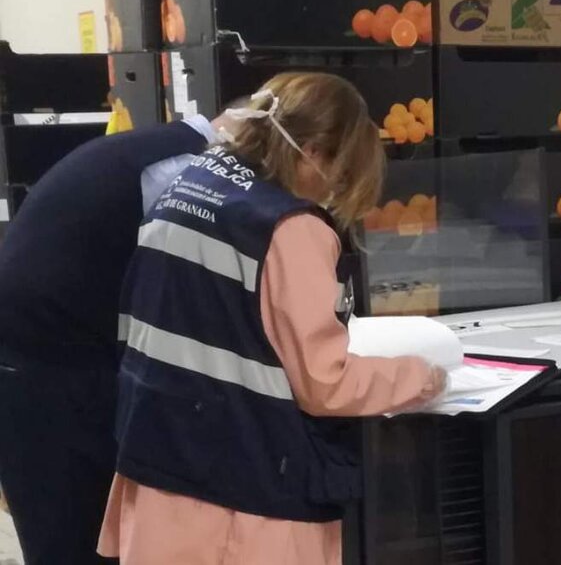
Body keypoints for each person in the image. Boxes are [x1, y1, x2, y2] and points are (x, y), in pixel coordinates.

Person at [97, 72, 446, 565]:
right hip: (244, 496)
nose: (335, 192)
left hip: (158, 465)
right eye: (343, 175)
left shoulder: (191, 183)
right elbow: (326, 385)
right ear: (315, 153)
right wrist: (423, 378)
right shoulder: (290, 229)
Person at [0, 105, 230, 564]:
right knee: (76, 537)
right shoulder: (180, 171)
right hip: (50, 368)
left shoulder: (143, 149)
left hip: (38, 354)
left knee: (66, 534)